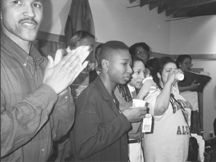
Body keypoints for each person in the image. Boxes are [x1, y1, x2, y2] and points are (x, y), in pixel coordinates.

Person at [1, 0, 90, 161]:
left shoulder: (44, 64)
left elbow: (57, 131)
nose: (30, 13)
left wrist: (61, 91)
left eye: (36, 4)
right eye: (17, 2)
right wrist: (49, 90)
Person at [70, 41, 147, 162]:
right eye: (124, 64)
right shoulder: (90, 97)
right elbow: (83, 148)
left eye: (130, 65)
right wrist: (124, 119)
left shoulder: (110, 95)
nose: (130, 70)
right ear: (106, 64)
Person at [143, 57, 192, 162]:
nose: (172, 74)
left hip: (179, 151)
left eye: (174, 71)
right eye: (168, 71)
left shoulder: (176, 94)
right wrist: (169, 82)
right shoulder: (153, 93)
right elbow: (159, 109)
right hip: (162, 153)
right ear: (159, 74)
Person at [115, 56, 155, 162]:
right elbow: (131, 127)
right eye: (138, 72)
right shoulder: (117, 91)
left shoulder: (134, 90)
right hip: (127, 145)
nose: (142, 76)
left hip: (138, 143)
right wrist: (141, 96)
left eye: (143, 72)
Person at [176, 55, 201, 134]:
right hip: (183, 107)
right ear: (180, 64)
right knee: (185, 131)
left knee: (194, 132)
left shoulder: (191, 74)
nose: (188, 65)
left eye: (189, 63)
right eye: (186, 63)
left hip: (193, 106)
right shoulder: (176, 74)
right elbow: (175, 89)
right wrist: (190, 87)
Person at [68, 30, 95, 100]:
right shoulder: (62, 59)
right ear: (78, 43)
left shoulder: (85, 64)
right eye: (91, 45)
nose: (92, 49)